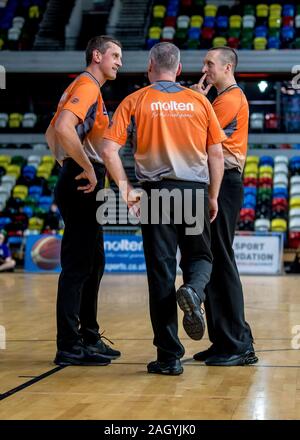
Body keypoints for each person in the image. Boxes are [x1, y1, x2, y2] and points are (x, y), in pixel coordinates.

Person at [98, 42, 225, 375]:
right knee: (200, 258)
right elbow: (216, 155)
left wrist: (125, 190)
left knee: (160, 275)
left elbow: (109, 150)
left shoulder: (136, 99)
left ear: (150, 67)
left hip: (155, 195)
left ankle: (169, 357)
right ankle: (193, 291)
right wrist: (213, 195)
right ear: (180, 69)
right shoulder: (199, 100)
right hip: (194, 191)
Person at [45, 36, 122, 366]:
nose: (120, 62)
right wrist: (85, 167)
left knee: (95, 261)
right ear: (97, 55)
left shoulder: (85, 87)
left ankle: (89, 335)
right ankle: (69, 344)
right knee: (78, 266)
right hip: (82, 183)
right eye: (115, 55)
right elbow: (62, 128)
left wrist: (65, 162)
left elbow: (51, 134)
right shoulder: (88, 85)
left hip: (79, 179)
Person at [191, 46, 258, 366]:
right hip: (217, 181)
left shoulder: (230, 98)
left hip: (226, 182)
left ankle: (239, 343)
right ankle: (222, 340)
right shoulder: (219, 98)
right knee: (213, 259)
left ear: (228, 67)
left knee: (221, 258)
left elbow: (196, 131)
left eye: (210, 63)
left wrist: (195, 100)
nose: (204, 68)